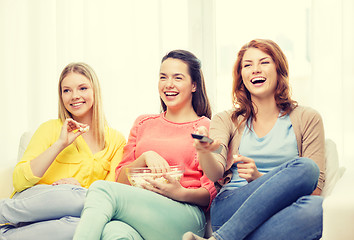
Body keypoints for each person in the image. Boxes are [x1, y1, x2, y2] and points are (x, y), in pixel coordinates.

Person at [183, 39, 325, 240]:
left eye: (264, 62)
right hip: (232, 205)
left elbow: (314, 189)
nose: (255, 70)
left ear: (279, 69)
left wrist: (261, 179)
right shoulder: (226, 120)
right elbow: (215, 172)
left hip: (282, 211)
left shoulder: (308, 118)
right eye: (247, 65)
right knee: (308, 168)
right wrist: (205, 152)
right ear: (241, 76)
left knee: (312, 190)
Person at [73, 50, 217, 240]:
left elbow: (210, 192)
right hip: (143, 212)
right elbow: (120, 181)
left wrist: (179, 192)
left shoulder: (205, 127)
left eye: (178, 78)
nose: (168, 84)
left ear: (194, 85)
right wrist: (144, 157)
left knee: (100, 189)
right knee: (113, 233)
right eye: (163, 77)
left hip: (185, 215)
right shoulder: (143, 123)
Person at [0, 62, 126, 240]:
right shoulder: (50, 128)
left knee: (81, 225)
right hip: (32, 204)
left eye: (82, 88)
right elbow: (19, 181)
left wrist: (79, 189)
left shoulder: (116, 140)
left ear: (94, 91)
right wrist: (60, 143)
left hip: (74, 214)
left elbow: (110, 195)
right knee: (69, 196)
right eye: (66, 90)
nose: (74, 96)